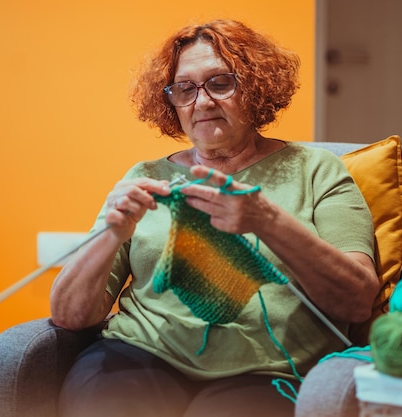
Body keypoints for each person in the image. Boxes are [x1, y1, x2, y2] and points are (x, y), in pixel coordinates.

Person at [50, 19, 379, 417]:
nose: (202, 102)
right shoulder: (145, 177)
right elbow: (69, 315)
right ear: (169, 101)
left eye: (220, 83)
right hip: (139, 354)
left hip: (269, 369)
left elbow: (357, 301)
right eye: (185, 88)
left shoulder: (316, 170)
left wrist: (267, 220)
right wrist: (109, 235)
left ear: (256, 87)